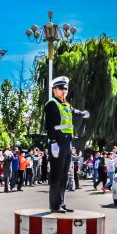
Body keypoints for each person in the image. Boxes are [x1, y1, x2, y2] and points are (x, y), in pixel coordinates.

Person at [45, 76, 90, 212]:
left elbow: (73, 111)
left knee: (65, 173)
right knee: (56, 174)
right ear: (54, 90)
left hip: (67, 142)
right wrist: (53, 142)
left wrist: (82, 113)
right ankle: (55, 204)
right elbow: (49, 125)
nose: (64, 90)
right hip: (57, 142)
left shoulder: (66, 105)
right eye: (61, 88)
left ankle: (62, 202)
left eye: (66, 88)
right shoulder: (52, 104)